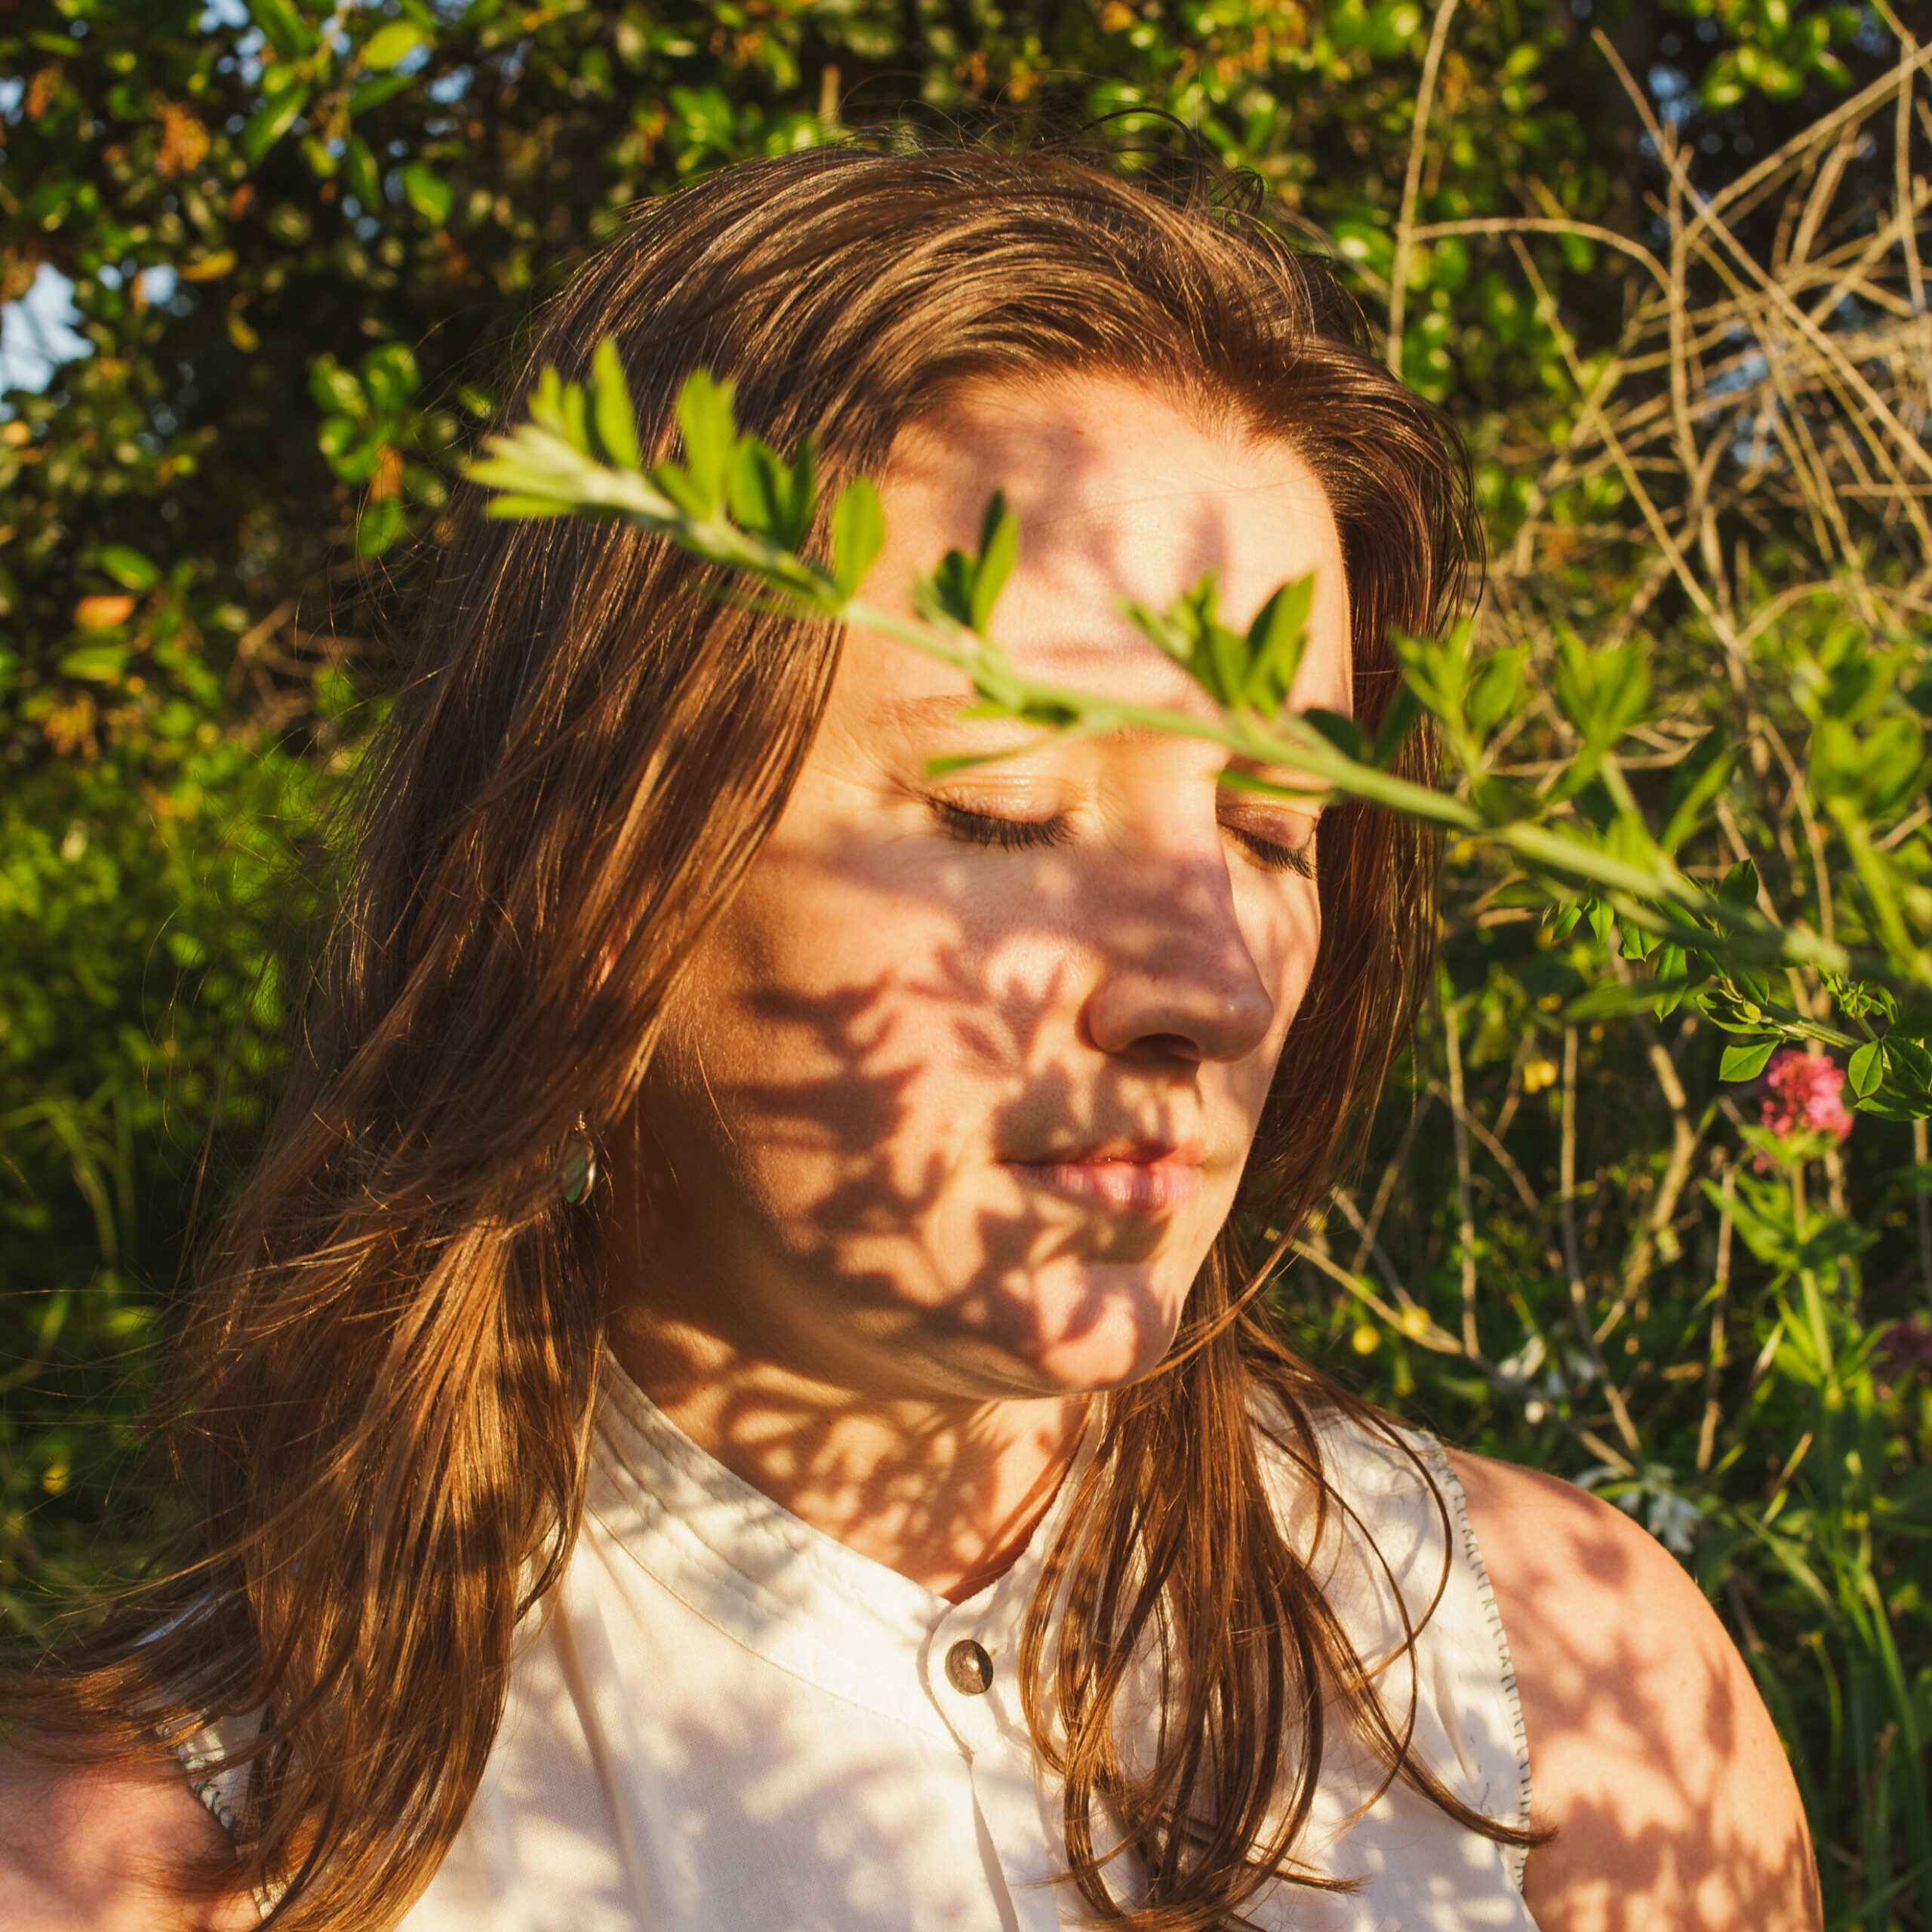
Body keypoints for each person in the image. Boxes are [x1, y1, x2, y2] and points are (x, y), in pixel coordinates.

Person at [0, 137, 1818, 1932]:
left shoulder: (1572, 1702)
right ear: (599, 863)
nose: (1209, 975)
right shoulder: (150, 1866)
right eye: (1004, 809)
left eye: (1276, 826)